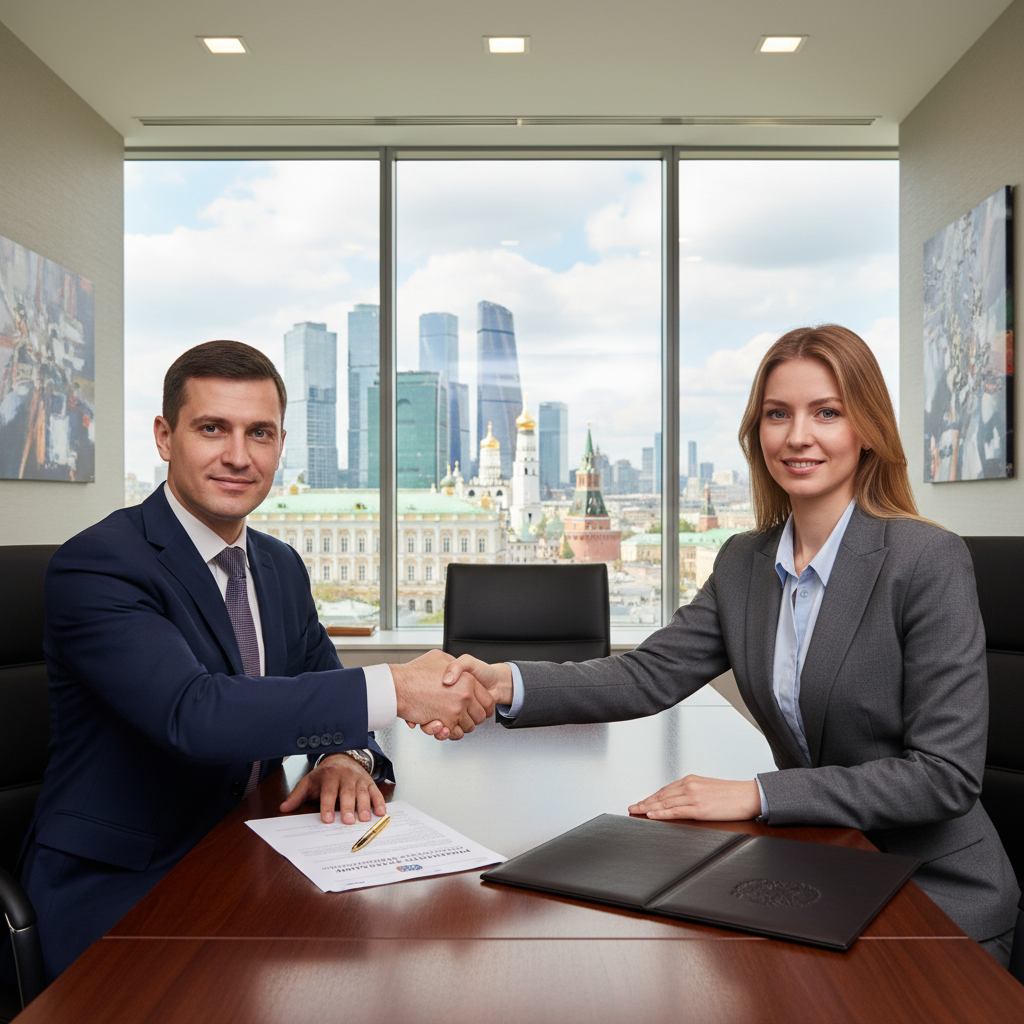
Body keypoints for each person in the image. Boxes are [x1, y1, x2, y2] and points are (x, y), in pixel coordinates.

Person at [442, 324, 1020, 965]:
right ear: (757, 433)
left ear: (866, 429)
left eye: (826, 412)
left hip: (932, 892)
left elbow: (945, 777)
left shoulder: (926, 560)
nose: (798, 436)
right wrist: (505, 684)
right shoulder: (745, 562)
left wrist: (758, 794)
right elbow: (648, 674)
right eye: (778, 414)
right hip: (820, 871)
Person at [11, 340, 495, 981]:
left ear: (280, 445)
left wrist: (341, 756)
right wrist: (401, 687)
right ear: (164, 436)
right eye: (213, 428)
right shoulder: (100, 564)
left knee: (409, 967)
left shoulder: (279, 565)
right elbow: (195, 713)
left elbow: (325, 680)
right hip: (123, 884)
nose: (239, 456)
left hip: (252, 853)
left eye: (259, 433)